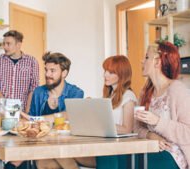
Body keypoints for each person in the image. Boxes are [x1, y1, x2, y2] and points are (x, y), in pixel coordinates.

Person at [20, 52, 84, 169]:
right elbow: (30, 122)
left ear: (64, 73)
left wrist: (37, 119)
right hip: (42, 145)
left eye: (52, 71)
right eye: (46, 70)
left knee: (52, 161)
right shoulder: (38, 92)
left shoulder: (75, 93)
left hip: (66, 145)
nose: (47, 74)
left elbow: (68, 116)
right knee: (42, 162)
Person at [134, 41, 190, 169]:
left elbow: (188, 133)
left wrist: (158, 122)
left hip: (173, 155)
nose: (142, 61)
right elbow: (136, 128)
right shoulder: (145, 92)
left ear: (157, 62)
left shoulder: (178, 91)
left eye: (146, 57)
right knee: (110, 157)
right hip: (150, 149)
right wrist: (151, 135)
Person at [76, 55, 137, 169]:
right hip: (105, 146)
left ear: (122, 74)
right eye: (105, 71)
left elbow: (127, 129)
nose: (105, 75)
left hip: (116, 151)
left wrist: (102, 124)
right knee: (55, 160)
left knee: (67, 157)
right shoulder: (110, 95)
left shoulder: (129, 96)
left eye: (110, 72)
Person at [0, 30, 39, 113]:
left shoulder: (32, 61)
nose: (5, 47)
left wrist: (27, 111)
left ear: (18, 45)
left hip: (23, 111)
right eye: (4, 44)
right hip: (2, 111)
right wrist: (5, 103)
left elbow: (34, 88)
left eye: (8, 44)